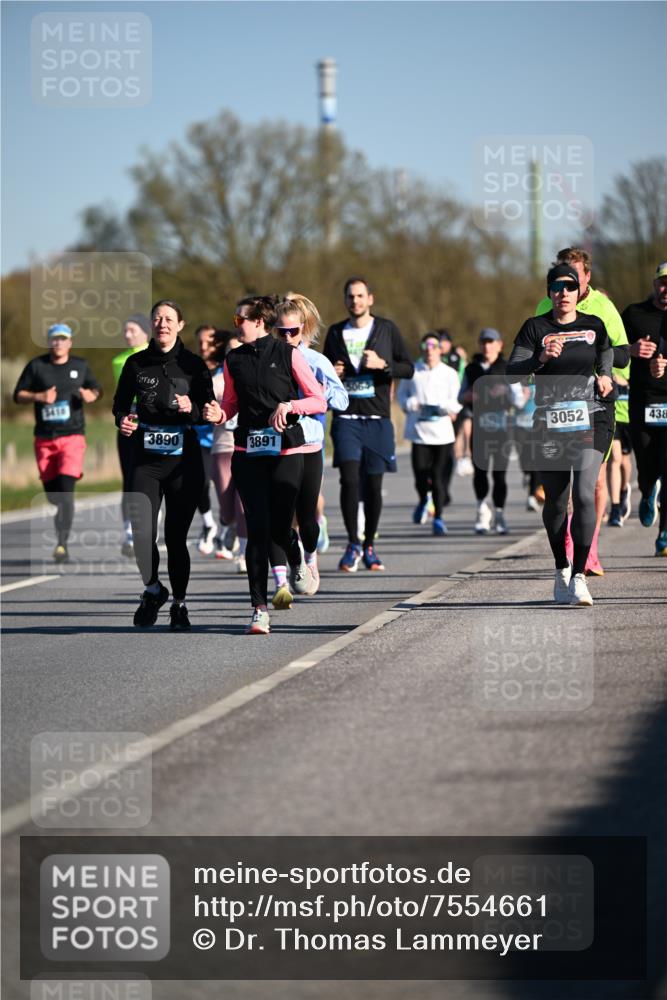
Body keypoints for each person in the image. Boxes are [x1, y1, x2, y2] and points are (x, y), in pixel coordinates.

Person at [203, 295, 326, 635]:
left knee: (280, 526)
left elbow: (319, 399)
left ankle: (297, 556)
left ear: (258, 321)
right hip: (247, 450)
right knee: (257, 530)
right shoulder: (233, 360)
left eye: (239, 318)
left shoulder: (288, 354)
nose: (235, 323)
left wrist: (290, 405)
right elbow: (230, 404)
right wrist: (219, 414)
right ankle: (259, 609)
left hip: (287, 452)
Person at [507, 263, 614, 606]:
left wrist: (606, 375)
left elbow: (607, 353)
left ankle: (580, 576)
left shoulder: (593, 325)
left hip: (591, 417)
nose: (563, 293)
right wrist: (539, 358)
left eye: (570, 286)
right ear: (549, 292)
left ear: (579, 290)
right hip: (550, 423)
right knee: (555, 502)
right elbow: (512, 373)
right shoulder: (535, 327)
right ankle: (561, 567)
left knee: (584, 493)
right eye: (557, 287)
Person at [113, 300, 214, 631]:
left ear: (180, 325)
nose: (162, 324)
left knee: (175, 537)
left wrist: (193, 407)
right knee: (142, 533)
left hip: (184, 459)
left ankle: (180, 604)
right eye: (157, 318)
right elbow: (119, 405)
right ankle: (153, 589)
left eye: (169, 319)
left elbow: (208, 409)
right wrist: (123, 420)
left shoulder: (194, 364)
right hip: (146, 458)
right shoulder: (136, 363)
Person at [535, 247, 629, 575]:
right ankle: (565, 557)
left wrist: (596, 362)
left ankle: (588, 551)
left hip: (594, 407)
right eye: (560, 279)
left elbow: (622, 353)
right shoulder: (546, 306)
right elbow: (530, 354)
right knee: (560, 496)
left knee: (591, 486)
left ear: (586, 277)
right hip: (557, 409)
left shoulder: (603, 307)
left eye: (573, 278)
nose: (565, 287)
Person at [322, 276, 414, 572]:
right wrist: (331, 373)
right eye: (350, 296)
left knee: (373, 486)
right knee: (349, 480)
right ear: (345, 300)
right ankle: (351, 544)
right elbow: (319, 374)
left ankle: (369, 546)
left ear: (370, 299)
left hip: (378, 420)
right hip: (346, 419)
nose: (355, 301)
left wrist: (384, 366)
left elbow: (408, 368)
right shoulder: (335, 333)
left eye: (360, 296)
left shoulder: (386, 329)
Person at [269, 293, 348, 608]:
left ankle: (310, 556)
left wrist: (318, 389)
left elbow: (341, 400)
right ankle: (289, 570)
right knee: (281, 516)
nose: (287, 338)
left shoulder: (317, 361)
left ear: (304, 328)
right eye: (281, 332)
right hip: (278, 445)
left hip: (310, 442)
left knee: (307, 517)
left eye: (293, 332)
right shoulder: (269, 359)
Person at [13, 323, 102, 562]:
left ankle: (62, 544)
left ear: (70, 342)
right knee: (54, 496)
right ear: (50, 341)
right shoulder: (37, 366)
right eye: (54, 339)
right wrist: (39, 396)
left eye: (63, 339)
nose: (59, 343)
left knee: (66, 494)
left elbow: (96, 390)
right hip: (44, 439)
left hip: (73, 437)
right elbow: (18, 394)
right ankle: (61, 524)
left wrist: (89, 395)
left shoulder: (80, 366)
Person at [623, 262, 667, 555]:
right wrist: (631, 350)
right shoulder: (634, 313)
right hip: (642, 401)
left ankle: (664, 534)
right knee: (647, 465)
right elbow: (609, 348)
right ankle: (647, 488)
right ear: (654, 284)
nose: (666, 289)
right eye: (663, 283)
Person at [398, 333, 462, 535]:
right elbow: (402, 396)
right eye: (426, 346)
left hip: (442, 433)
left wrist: (446, 407)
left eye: (434, 346)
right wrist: (411, 403)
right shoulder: (413, 371)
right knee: (419, 476)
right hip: (419, 432)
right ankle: (423, 499)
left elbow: (456, 400)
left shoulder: (449, 373)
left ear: (440, 350)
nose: (429, 350)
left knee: (437, 476)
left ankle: (439, 518)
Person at [459, 328, 511, 535]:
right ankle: (481, 510)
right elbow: (459, 396)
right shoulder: (472, 368)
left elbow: (520, 397)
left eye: (491, 342)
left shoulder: (507, 368)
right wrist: (468, 396)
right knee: (480, 471)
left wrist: (507, 391)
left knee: (500, 475)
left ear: (500, 345)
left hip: (502, 428)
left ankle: (499, 514)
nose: (487, 346)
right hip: (479, 427)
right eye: (484, 342)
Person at [111, 314, 151, 557]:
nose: (127, 334)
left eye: (132, 330)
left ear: (146, 331)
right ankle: (129, 532)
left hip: (155, 422)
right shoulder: (119, 361)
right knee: (129, 480)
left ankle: (149, 529)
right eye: (125, 330)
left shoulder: (158, 355)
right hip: (130, 419)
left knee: (151, 478)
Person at [208, 332, 248, 570]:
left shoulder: (254, 377)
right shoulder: (216, 381)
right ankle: (228, 524)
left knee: (243, 502)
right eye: (230, 352)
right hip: (222, 448)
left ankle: (243, 553)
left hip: (246, 448)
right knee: (227, 507)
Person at [193, 325, 225, 555]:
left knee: (228, 491)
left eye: (209, 342)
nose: (204, 347)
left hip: (226, 438)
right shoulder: (193, 369)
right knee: (199, 483)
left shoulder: (228, 368)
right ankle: (208, 524)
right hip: (201, 438)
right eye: (200, 343)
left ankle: (226, 531)